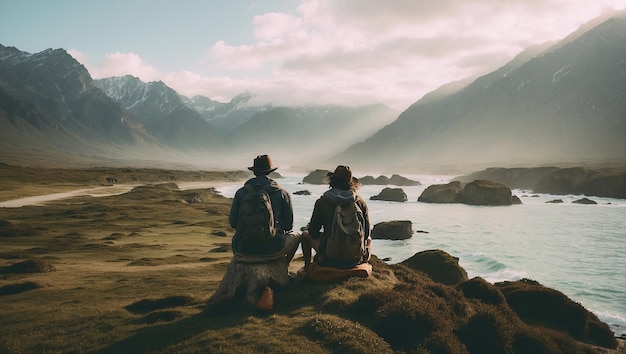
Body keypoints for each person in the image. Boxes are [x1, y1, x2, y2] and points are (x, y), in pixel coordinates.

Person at [300, 165, 372, 273]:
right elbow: (366, 234)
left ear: (332, 181)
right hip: (354, 258)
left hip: (329, 258)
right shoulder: (360, 202)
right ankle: (363, 262)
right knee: (369, 240)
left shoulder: (323, 201)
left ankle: (306, 269)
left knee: (304, 235)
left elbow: (313, 232)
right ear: (350, 182)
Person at [229, 155, 300, 262]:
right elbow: (288, 225)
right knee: (298, 236)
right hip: (274, 247)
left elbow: (233, 223)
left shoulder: (241, 192)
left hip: (243, 247)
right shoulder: (282, 193)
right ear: (269, 171)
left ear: (254, 171)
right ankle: (285, 265)